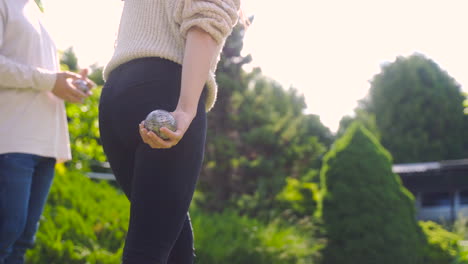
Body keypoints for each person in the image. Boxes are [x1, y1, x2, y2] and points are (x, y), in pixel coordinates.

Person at [99, 0, 242, 263]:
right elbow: (205, 22)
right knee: (147, 252)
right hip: (166, 92)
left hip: (115, 97)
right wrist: (186, 108)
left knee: (174, 246)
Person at [0, 0, 94, 263]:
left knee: (21, 243)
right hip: (11, 142)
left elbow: (43, 76)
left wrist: (70, 83)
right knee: (6, 236)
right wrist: (50, 80)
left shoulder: (35, 11)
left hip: (46, 145)